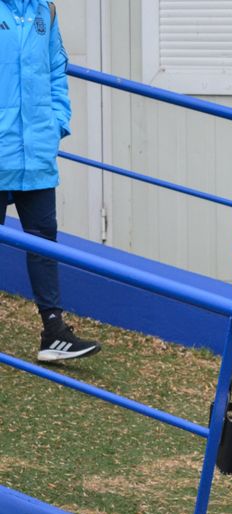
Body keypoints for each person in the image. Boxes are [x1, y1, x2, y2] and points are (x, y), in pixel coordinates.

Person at [0, 0, 101, 361]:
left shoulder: (47, 10)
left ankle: (54, 332)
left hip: (38, 153)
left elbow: (57, 68)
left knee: (44, 242)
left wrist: (56, 123)